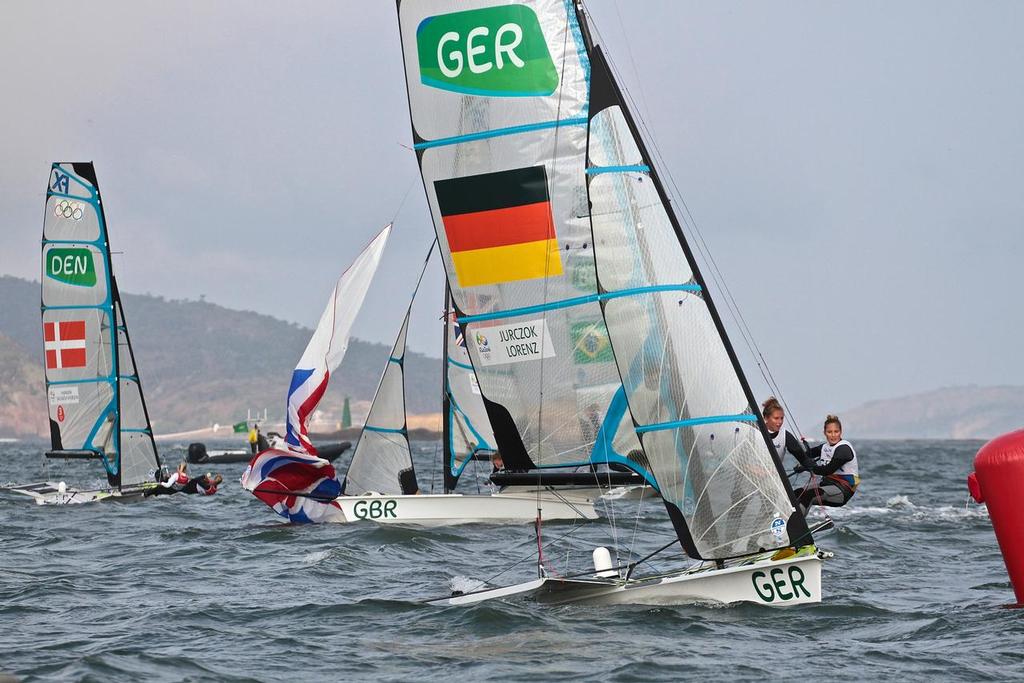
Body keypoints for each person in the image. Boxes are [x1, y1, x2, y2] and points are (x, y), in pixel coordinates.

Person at [792, 414, 859, 514]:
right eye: (829, 432)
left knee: (809, 495)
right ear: (824, 433)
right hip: (827, 484)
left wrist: (808, 467)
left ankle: (797, 526)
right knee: (795, 494)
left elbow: (827, 470)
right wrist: (801, 465)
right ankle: (781, 520)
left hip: (843, 490)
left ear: (841, 432)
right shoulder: (825, 447)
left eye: (836, 432)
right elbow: (807, 455)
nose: (833, 435)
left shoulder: (843, 449)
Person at [761, 397, 808, 467]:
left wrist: (812, 469)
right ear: (766, 418)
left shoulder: (784, 435)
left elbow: (803, 458)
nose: (780, 422)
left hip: (773, 477)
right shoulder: (755, 432)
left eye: (782, 418)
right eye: (776, 418)